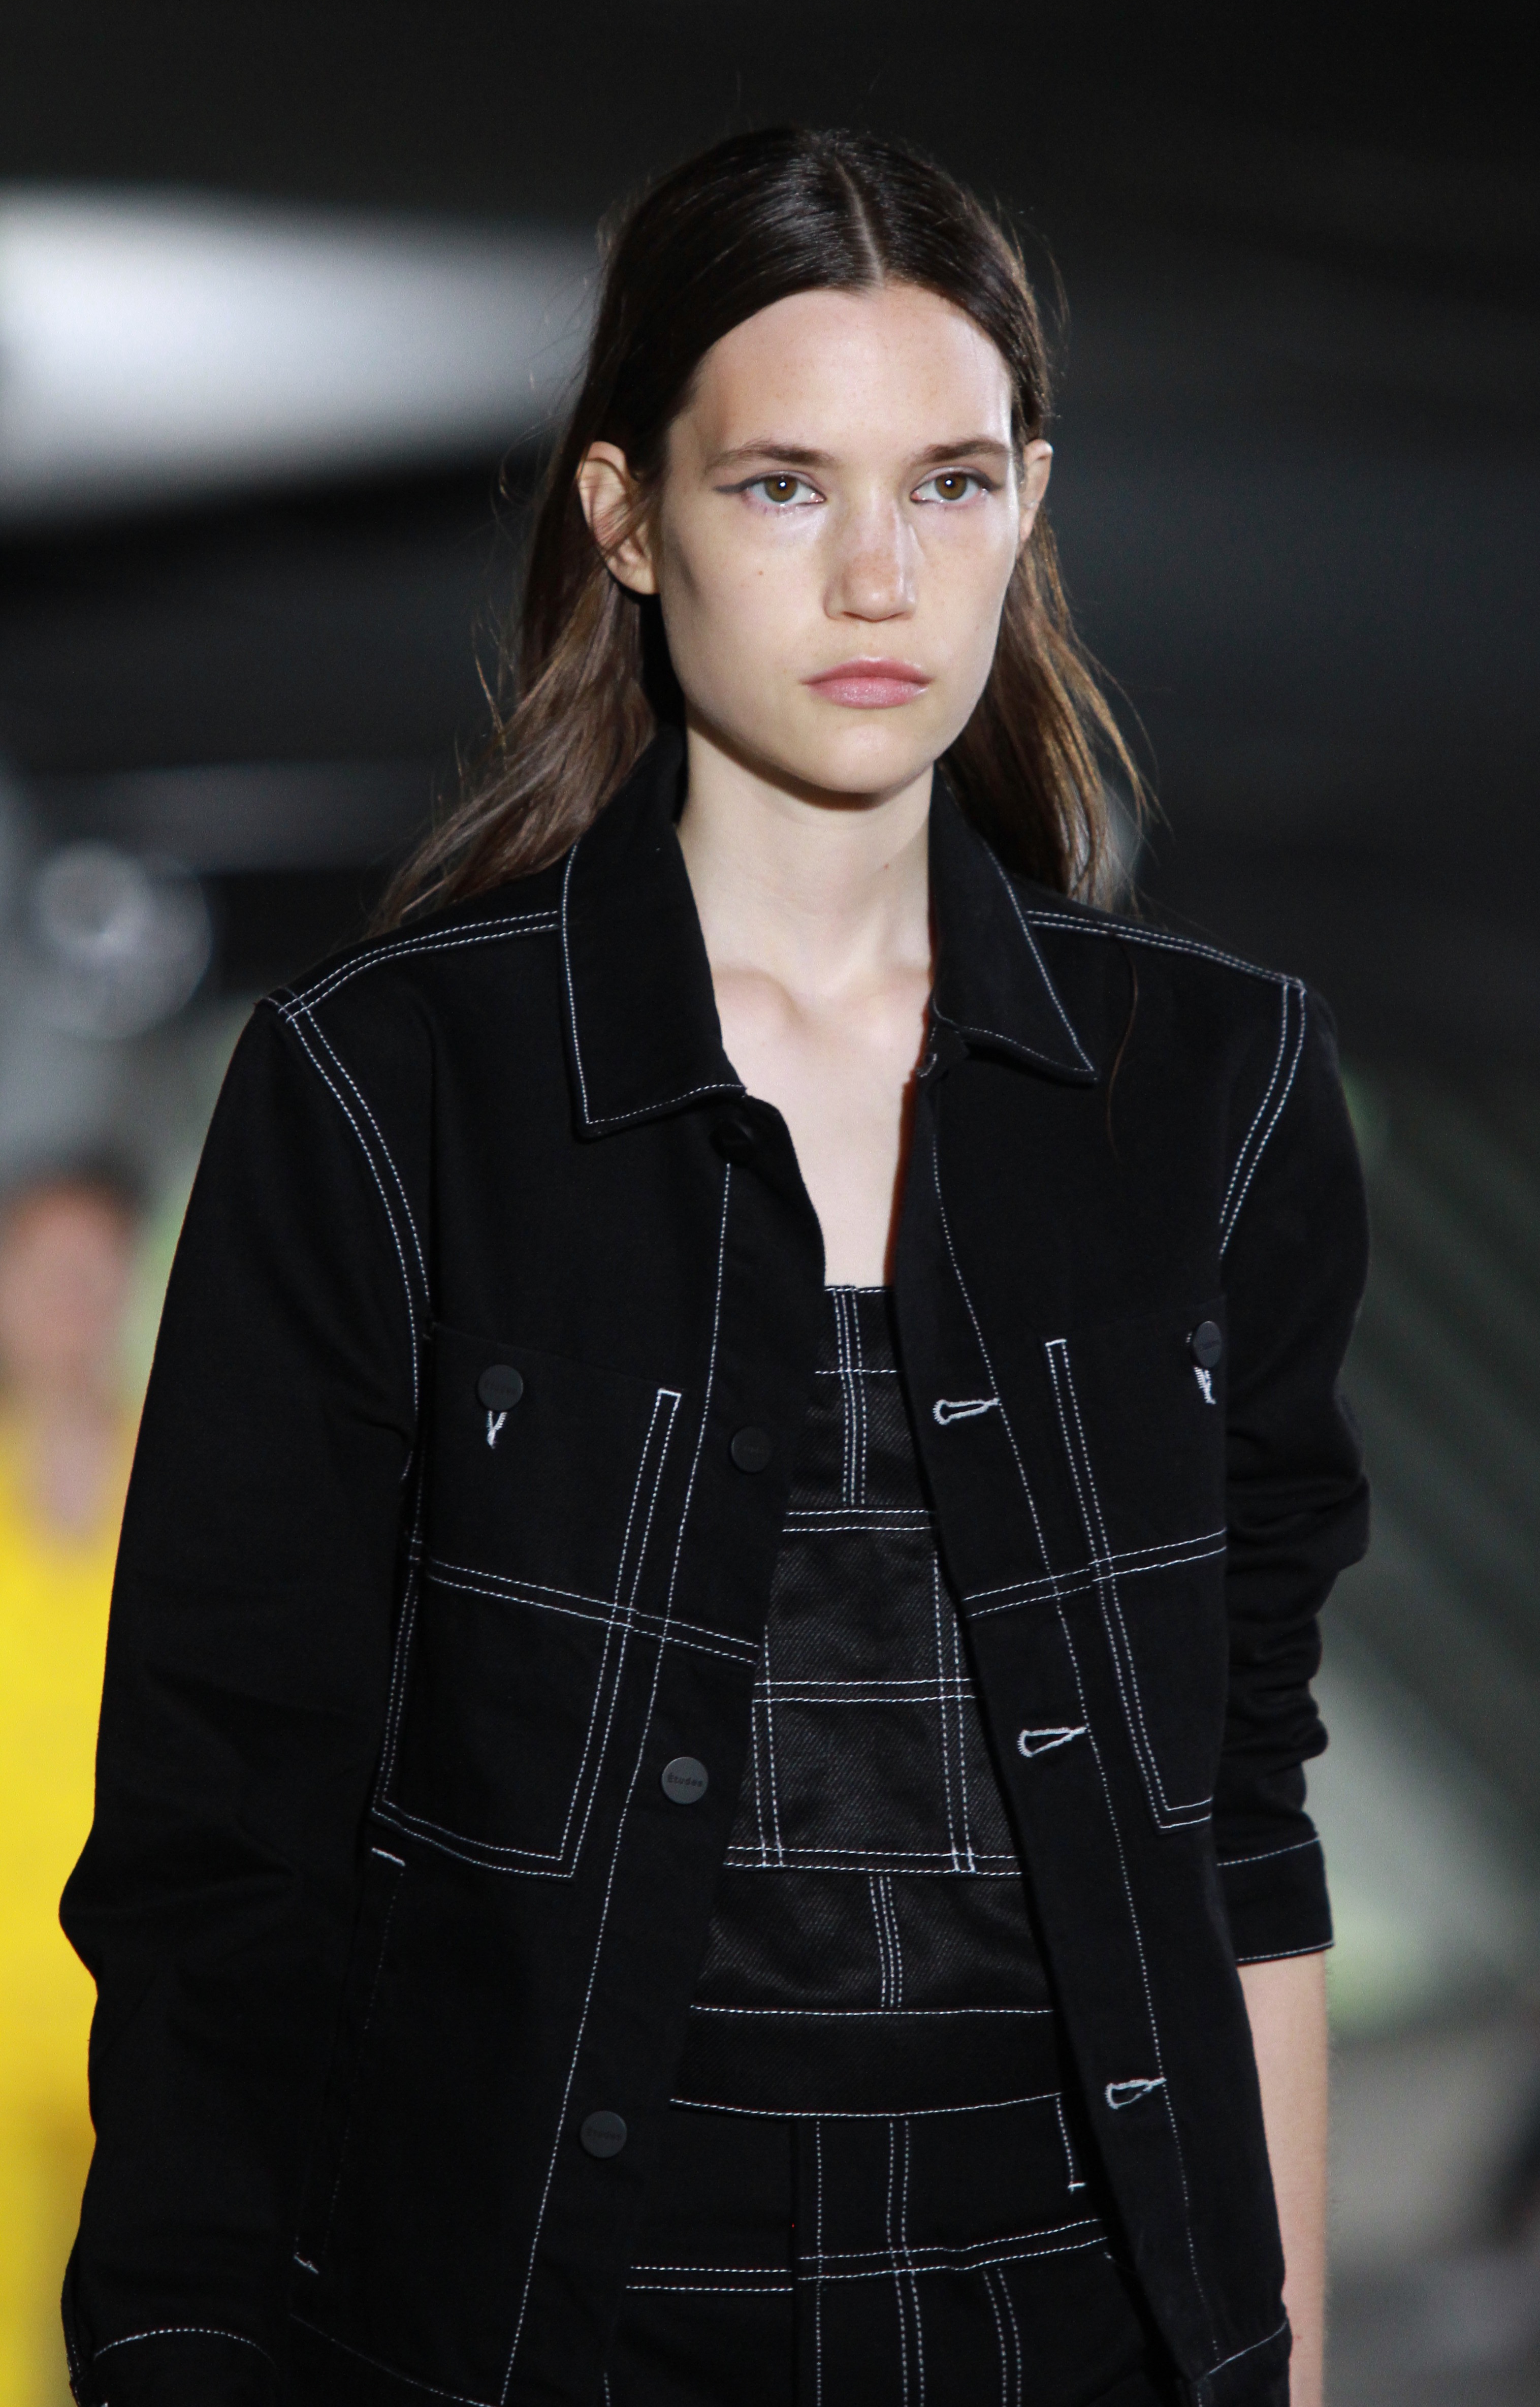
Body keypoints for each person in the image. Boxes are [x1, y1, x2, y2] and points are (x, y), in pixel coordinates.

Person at [61, 129, 1369, 2407]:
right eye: (784, 486)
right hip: (538, 2330)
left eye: (949, 484)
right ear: (627, 514)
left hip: (1081, 2328)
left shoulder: (1214, 1092)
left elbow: (1238, 1824)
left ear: (1029, 508)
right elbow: (224, 1856)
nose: (879, 575)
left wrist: (1284, 2367)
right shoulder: (393, 1090)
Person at [0, 1163, 142, 2407]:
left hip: (145, 1993)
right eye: (45, 1271)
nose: (69, 1302)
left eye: (96, 1273)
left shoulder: (190, 1483)